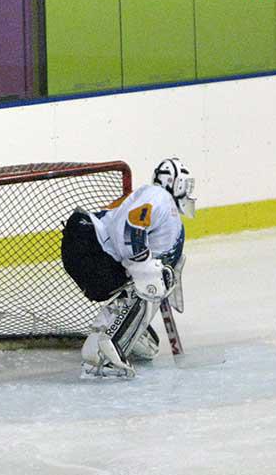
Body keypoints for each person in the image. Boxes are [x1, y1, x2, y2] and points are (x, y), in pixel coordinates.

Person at [61, 158, 196, 378]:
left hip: (91, 248)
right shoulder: (159, 196)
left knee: (148, 284)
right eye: (186, 184)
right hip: (90, 246)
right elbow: (129, 226)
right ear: (175, 183)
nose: (189, 191)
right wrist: (143, 266)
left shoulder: (163, 208)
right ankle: (100, 353)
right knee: (146, 281)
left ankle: (122, 334)